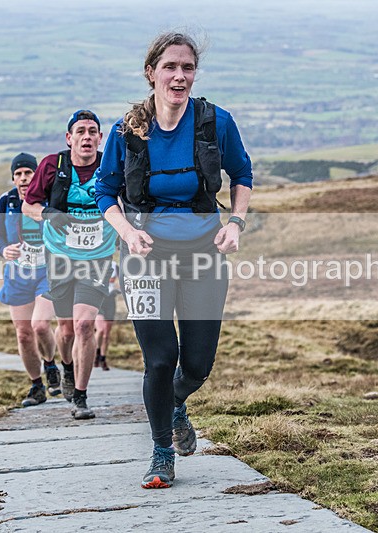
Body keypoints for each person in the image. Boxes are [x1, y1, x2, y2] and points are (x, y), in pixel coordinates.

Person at [94, 32, 253, 489]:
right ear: (152, 73)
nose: (179, 76)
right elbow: (106, 191)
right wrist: (128, 232)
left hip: (204, 253)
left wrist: (235, 223)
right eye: (170, 67)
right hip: (145, 259)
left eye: (187, 67)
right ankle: (162, 453)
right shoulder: (127, 131)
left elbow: (241, 174)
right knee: (161, 360)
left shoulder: (215, 122)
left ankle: (176, 403)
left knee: (197, 364)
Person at [22, 110, 117, 420]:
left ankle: (81, 395)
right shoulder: (53, 165)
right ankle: (65, 366)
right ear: (69, 138)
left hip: (98, 257)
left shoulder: (110, 164)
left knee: (85, 325)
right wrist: (48, 214)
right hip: (60, 257)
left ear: (100, 138)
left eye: (92, 131)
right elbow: (29, 204)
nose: (86, 136)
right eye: (80, 131)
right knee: (65, 331)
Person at [0, 152, 65, 407]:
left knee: (40, 325)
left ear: (37, 176)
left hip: (48, 270)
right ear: (13, 178)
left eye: (28, 173)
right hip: (18, 274)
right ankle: (37, 387)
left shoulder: (48, 197)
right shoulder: (7, 202)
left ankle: (51, 364)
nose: (23, 178)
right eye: (18, 174)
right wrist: (4, 250)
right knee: (23, 334)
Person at [94, 262, 120, 371]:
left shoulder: (115, 266)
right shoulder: (94, 264)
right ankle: (95, 354)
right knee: (100, 330)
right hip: (98, 300)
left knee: (106, 334)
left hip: (110, 300)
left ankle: (103, 359)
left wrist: (117, 290)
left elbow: (122, 281)